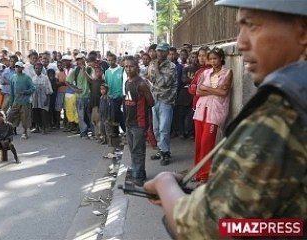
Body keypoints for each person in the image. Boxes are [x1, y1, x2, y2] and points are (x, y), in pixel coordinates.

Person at [143, 1, 307, 239]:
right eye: (239, 28)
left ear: (301, 30)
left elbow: (208, 228)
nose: (240, 43)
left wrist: (164, 184)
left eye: (252, 26)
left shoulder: (282, 113)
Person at [193, 47, 233, 183]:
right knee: (199, 142)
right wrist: (214, 90)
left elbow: (223, 93)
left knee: (207, 143)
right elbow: (198, 92)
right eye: (210, 59)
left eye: (215, 58)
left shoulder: (227, 73)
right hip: (201, 110)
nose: (213, 61)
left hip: (215, 111)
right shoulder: (205, 73)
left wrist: (207, 88)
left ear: (221, 58)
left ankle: (205, 175)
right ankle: (197, 172)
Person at [124, 56, 154, 186]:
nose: (128, 69)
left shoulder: (141, 84)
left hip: (139, 123)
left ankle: (138, 177)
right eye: (126, 66)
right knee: (133, 149)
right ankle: (140, 171)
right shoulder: (127, 82)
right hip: (129, 122)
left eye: (131, 66)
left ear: (137, 67)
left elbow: (151, 102)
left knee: (138, 150)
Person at [149, 43, 178, 166]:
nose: (159, 53)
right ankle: (161, 150)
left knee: (164, 129)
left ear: (167, 53)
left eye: (162, 51)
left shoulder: (171, 66)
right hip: (154, 99)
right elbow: (150, 79)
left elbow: (162, 82)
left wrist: (156, 68)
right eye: (158, 51)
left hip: (166, 101)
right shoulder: (152, 64)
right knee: (156, 129)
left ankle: (165, 153)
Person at [8, 62, 36, 139]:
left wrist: (25, 92)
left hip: (25, 101)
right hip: (16, 101)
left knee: (25, 117)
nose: (17, 68)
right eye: (16, 67)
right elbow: (11, 90)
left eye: (19, 67)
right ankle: (12, 130)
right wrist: (11, 101)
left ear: (22, 68)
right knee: (11, 116)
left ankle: (25, 132)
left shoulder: (27, 78)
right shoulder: (13, 77)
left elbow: (33, 88)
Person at [31, 63, 53, 134]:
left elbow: (48, 89)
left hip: (43, 98)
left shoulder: (45, 78)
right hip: (35, 99)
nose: (37, 70)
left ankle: (44, 128)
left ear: (41, 69)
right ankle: (37, 127)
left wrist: (47, 99)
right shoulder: (33, 78)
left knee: (43, 114)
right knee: (36, 113)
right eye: (36, 68)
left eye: (39, 68)